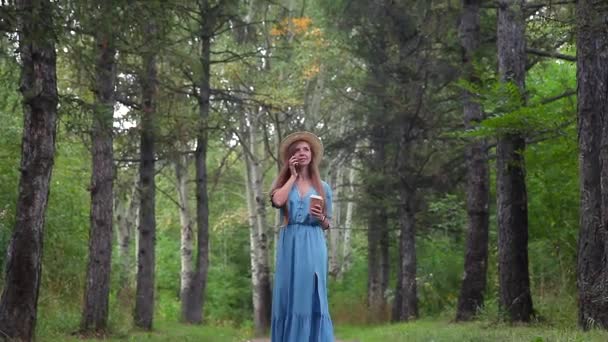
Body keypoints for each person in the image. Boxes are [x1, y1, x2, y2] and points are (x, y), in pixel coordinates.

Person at [269, 131, 334, 342]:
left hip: (313, 242)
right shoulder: (284, 185)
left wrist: (321, 216)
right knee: (288, 292)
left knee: (310, 292)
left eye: (306, 149)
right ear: (291, 156)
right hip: (290, 242)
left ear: (312, 154)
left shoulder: (323, 188)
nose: (302, 153)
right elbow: (278, 201)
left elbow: (327, 224)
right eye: (297, 150)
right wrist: (292, 175)